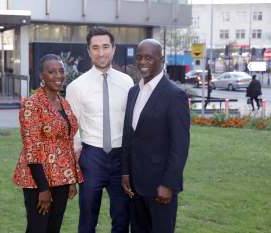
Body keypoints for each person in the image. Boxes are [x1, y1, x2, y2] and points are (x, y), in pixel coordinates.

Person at [66, 27, 134, 233]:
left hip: (121, 157)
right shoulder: (76, 87)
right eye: (95, 48)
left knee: (122, 218)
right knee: (87, 218)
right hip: (91, 157)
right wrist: (73, 166)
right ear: (89, 51)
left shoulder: (127, 83)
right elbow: (73, 130)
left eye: (105, 47)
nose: (101, 52)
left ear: (113, 49)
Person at [121, 39, 190, 233]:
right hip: (135, 185)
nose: (143, 62)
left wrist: (169, 184)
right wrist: (125, 172)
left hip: (160, 186)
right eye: (140, 57)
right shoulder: (133, 92)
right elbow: (129, 135)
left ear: (161, 59)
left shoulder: (174, 96)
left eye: (149, 58)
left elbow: (180, 146)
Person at [13, 54, 83, 233]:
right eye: (52, 72)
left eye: (61, 71)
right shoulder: (32, 104)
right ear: (41, 76)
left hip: (61, 177)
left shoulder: (63, 103)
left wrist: (70, 180)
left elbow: (66, 143)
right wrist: (43, 190)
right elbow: (32, 148)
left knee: (54, 228)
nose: (58, 76)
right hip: (38, 180)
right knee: (37, 228)